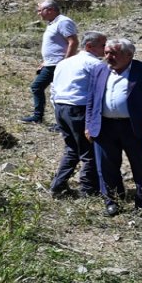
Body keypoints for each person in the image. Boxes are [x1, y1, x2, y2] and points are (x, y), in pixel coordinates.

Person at [86, 38, 142, 217]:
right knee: (106, 167)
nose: (109, 57)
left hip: (135, 127)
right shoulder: (99, 69)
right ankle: (112, 202)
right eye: (106, 53)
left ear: (129, 55)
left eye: (114, 53)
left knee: (141, 167)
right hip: (104, 126)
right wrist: (89, 124)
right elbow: (91, 98)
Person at [48, 31, 107, 199]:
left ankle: (58, 185)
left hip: (61, 107)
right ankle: (88, 189)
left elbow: (54, 87)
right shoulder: (94, 64)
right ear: (90, 46)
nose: (106, 49)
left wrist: (56, 105)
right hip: (79, 109)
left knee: (72, 148)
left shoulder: (65, 63)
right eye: (103, 45)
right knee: (88, 151)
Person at [23, 0, 78, 124]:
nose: (38, 14)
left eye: (40, 10)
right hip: (51, 63)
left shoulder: (63, 22)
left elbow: (73, 42)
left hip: (58, 64)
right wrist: (45, 61)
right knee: (51, 91)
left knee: (42, 88)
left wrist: (66, 62)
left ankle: (46, 118)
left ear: (50, 10)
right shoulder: (53, 23)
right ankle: (49, 119)